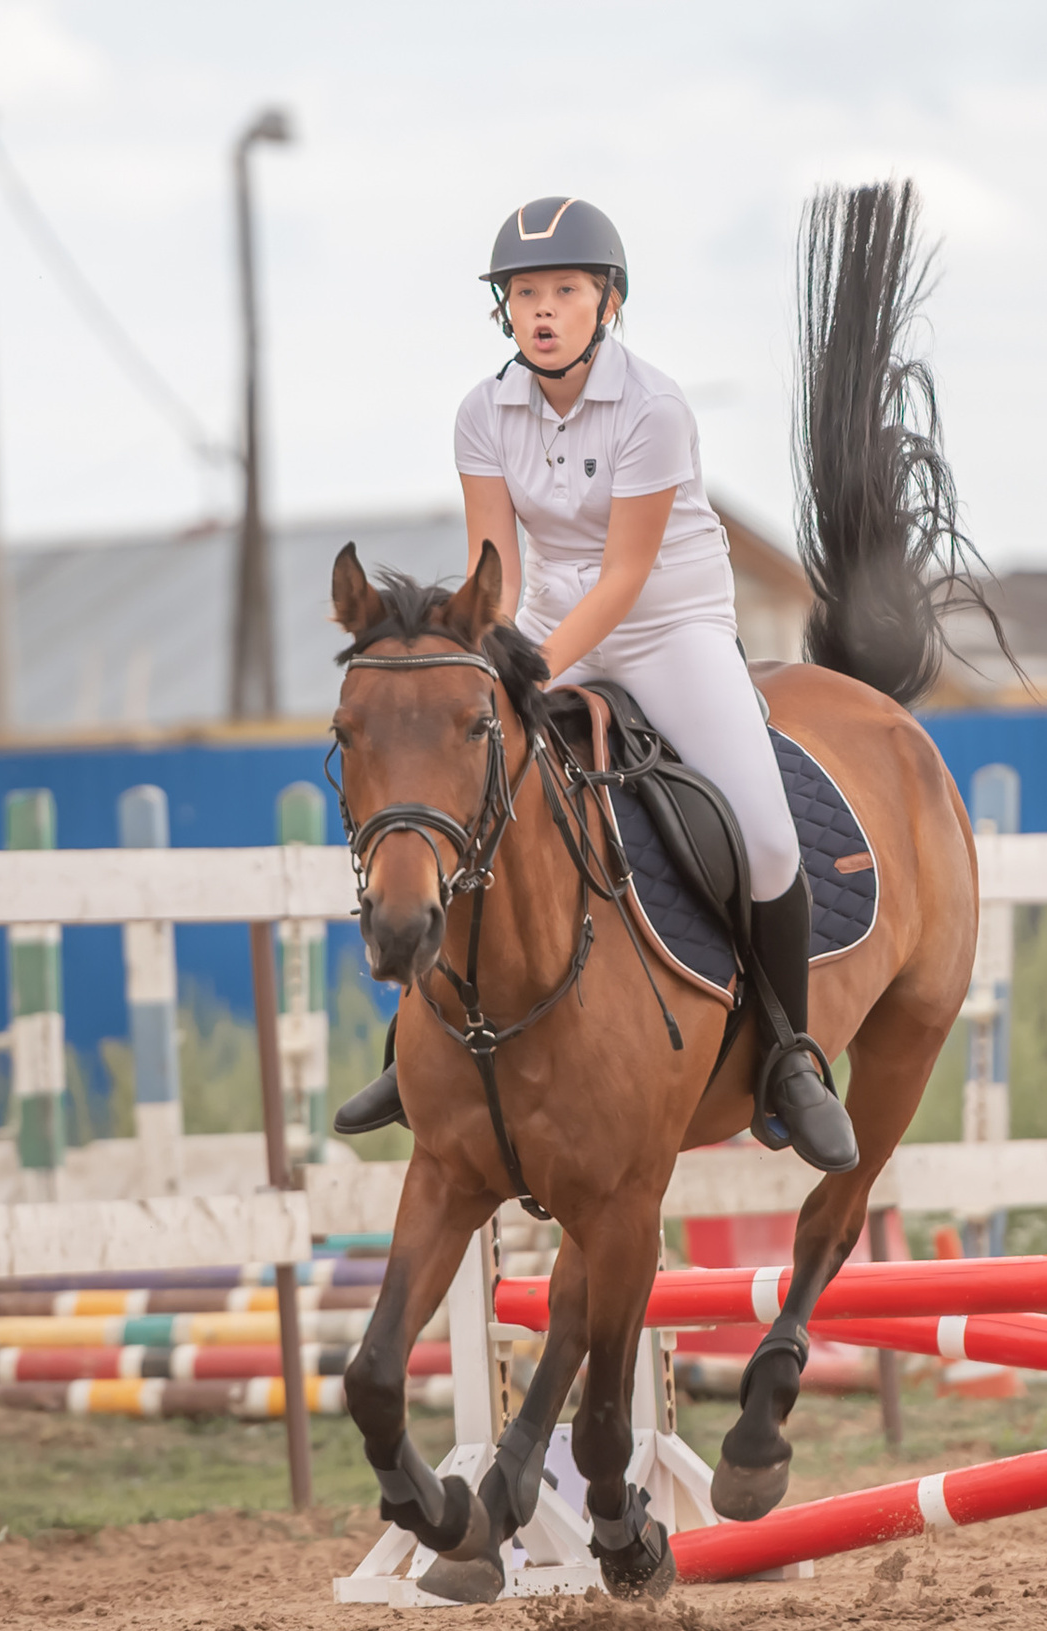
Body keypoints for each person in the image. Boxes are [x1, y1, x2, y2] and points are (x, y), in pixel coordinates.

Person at [333, 196, 856, 1174]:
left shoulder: (653, 408)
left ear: (606, 302)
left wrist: (533, 666)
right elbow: (497, 567)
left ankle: (789, 1060)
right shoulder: (480, 413)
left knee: (768, 834)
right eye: (524, 294)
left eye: (563, 292)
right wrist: (482, 652)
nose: (542, 310)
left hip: (669, 626)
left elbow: (624, 577)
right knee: (468, 799)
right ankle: (416, 1052)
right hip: (540, 620)